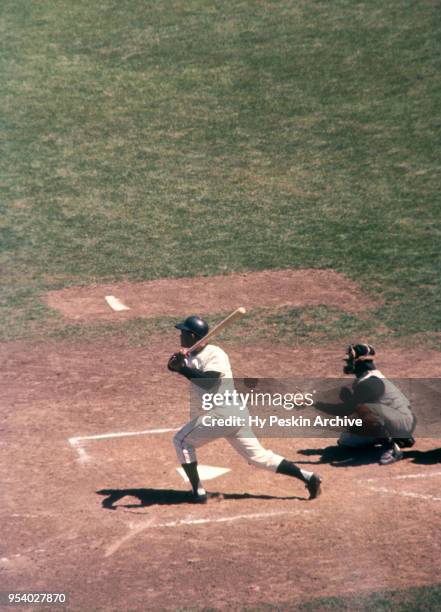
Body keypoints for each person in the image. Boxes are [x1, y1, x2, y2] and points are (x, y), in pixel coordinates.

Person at [167, 315, 322, 503]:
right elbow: (183, 366)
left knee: (182, 441)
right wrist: (176, 364)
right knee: (258, 457)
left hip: (222, 413)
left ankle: (197, 492)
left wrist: (181, 369)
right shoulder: (190, 354)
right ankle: (308, 477)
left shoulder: (215, 354)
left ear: (192, 336)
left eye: (182, 332)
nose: (180, 335)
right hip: (233, 414)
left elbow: (209, 382)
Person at [317, 343, 416, 465]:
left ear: (359, 361)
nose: (348, 364)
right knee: (346, 440)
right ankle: (399, 438)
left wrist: (314, 403)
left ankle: (391, 448)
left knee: (362, 409)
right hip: (399, 420)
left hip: (403, 421)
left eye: (350, 360)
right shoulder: (367, 378)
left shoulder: (370, 382)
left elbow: (346, 410)